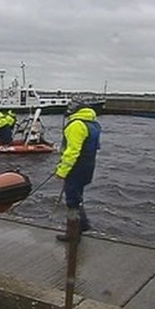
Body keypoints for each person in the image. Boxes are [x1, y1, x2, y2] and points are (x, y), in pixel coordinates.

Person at [54, 103, 102, 241]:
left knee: (72, 200)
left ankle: (73, 233)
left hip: (76, 167)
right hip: (88, 166)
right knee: (78, 195)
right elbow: (96, 146)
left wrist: (62, 171)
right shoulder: (94, 125)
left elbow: (72, 152)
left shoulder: (76, 125)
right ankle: (83, 225)